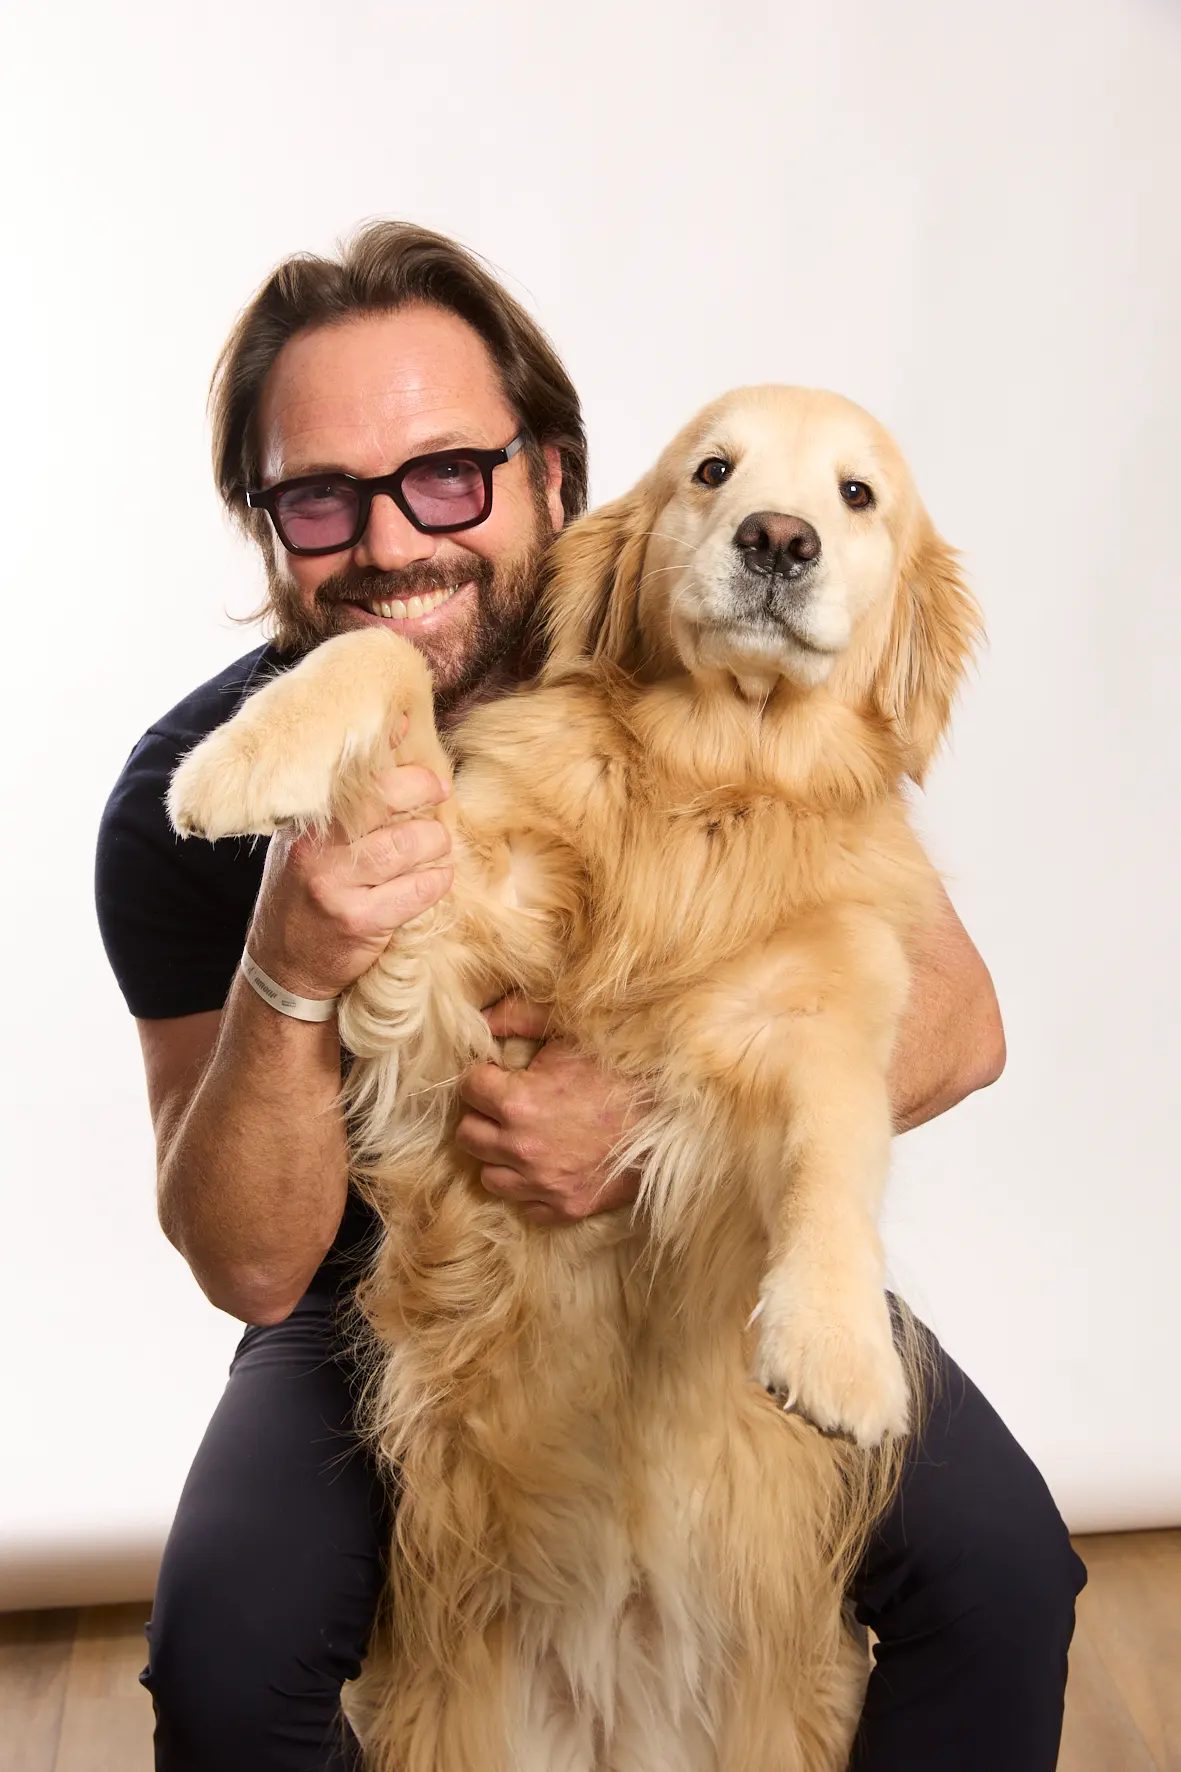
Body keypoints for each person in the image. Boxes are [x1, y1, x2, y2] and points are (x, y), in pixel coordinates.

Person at [95, 220, 1085, 1772]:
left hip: (701, 1233)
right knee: (225, 1642)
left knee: (1010, 1573)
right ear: (266, 527)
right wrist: (287, 966)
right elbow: (251, 1263)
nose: (390, 542)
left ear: (556, 480)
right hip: (386, 1279)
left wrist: (643, 1123)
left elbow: (959, 1021)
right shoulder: (190, 791)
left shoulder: (679, 637)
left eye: (446, 475)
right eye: (318, 497)